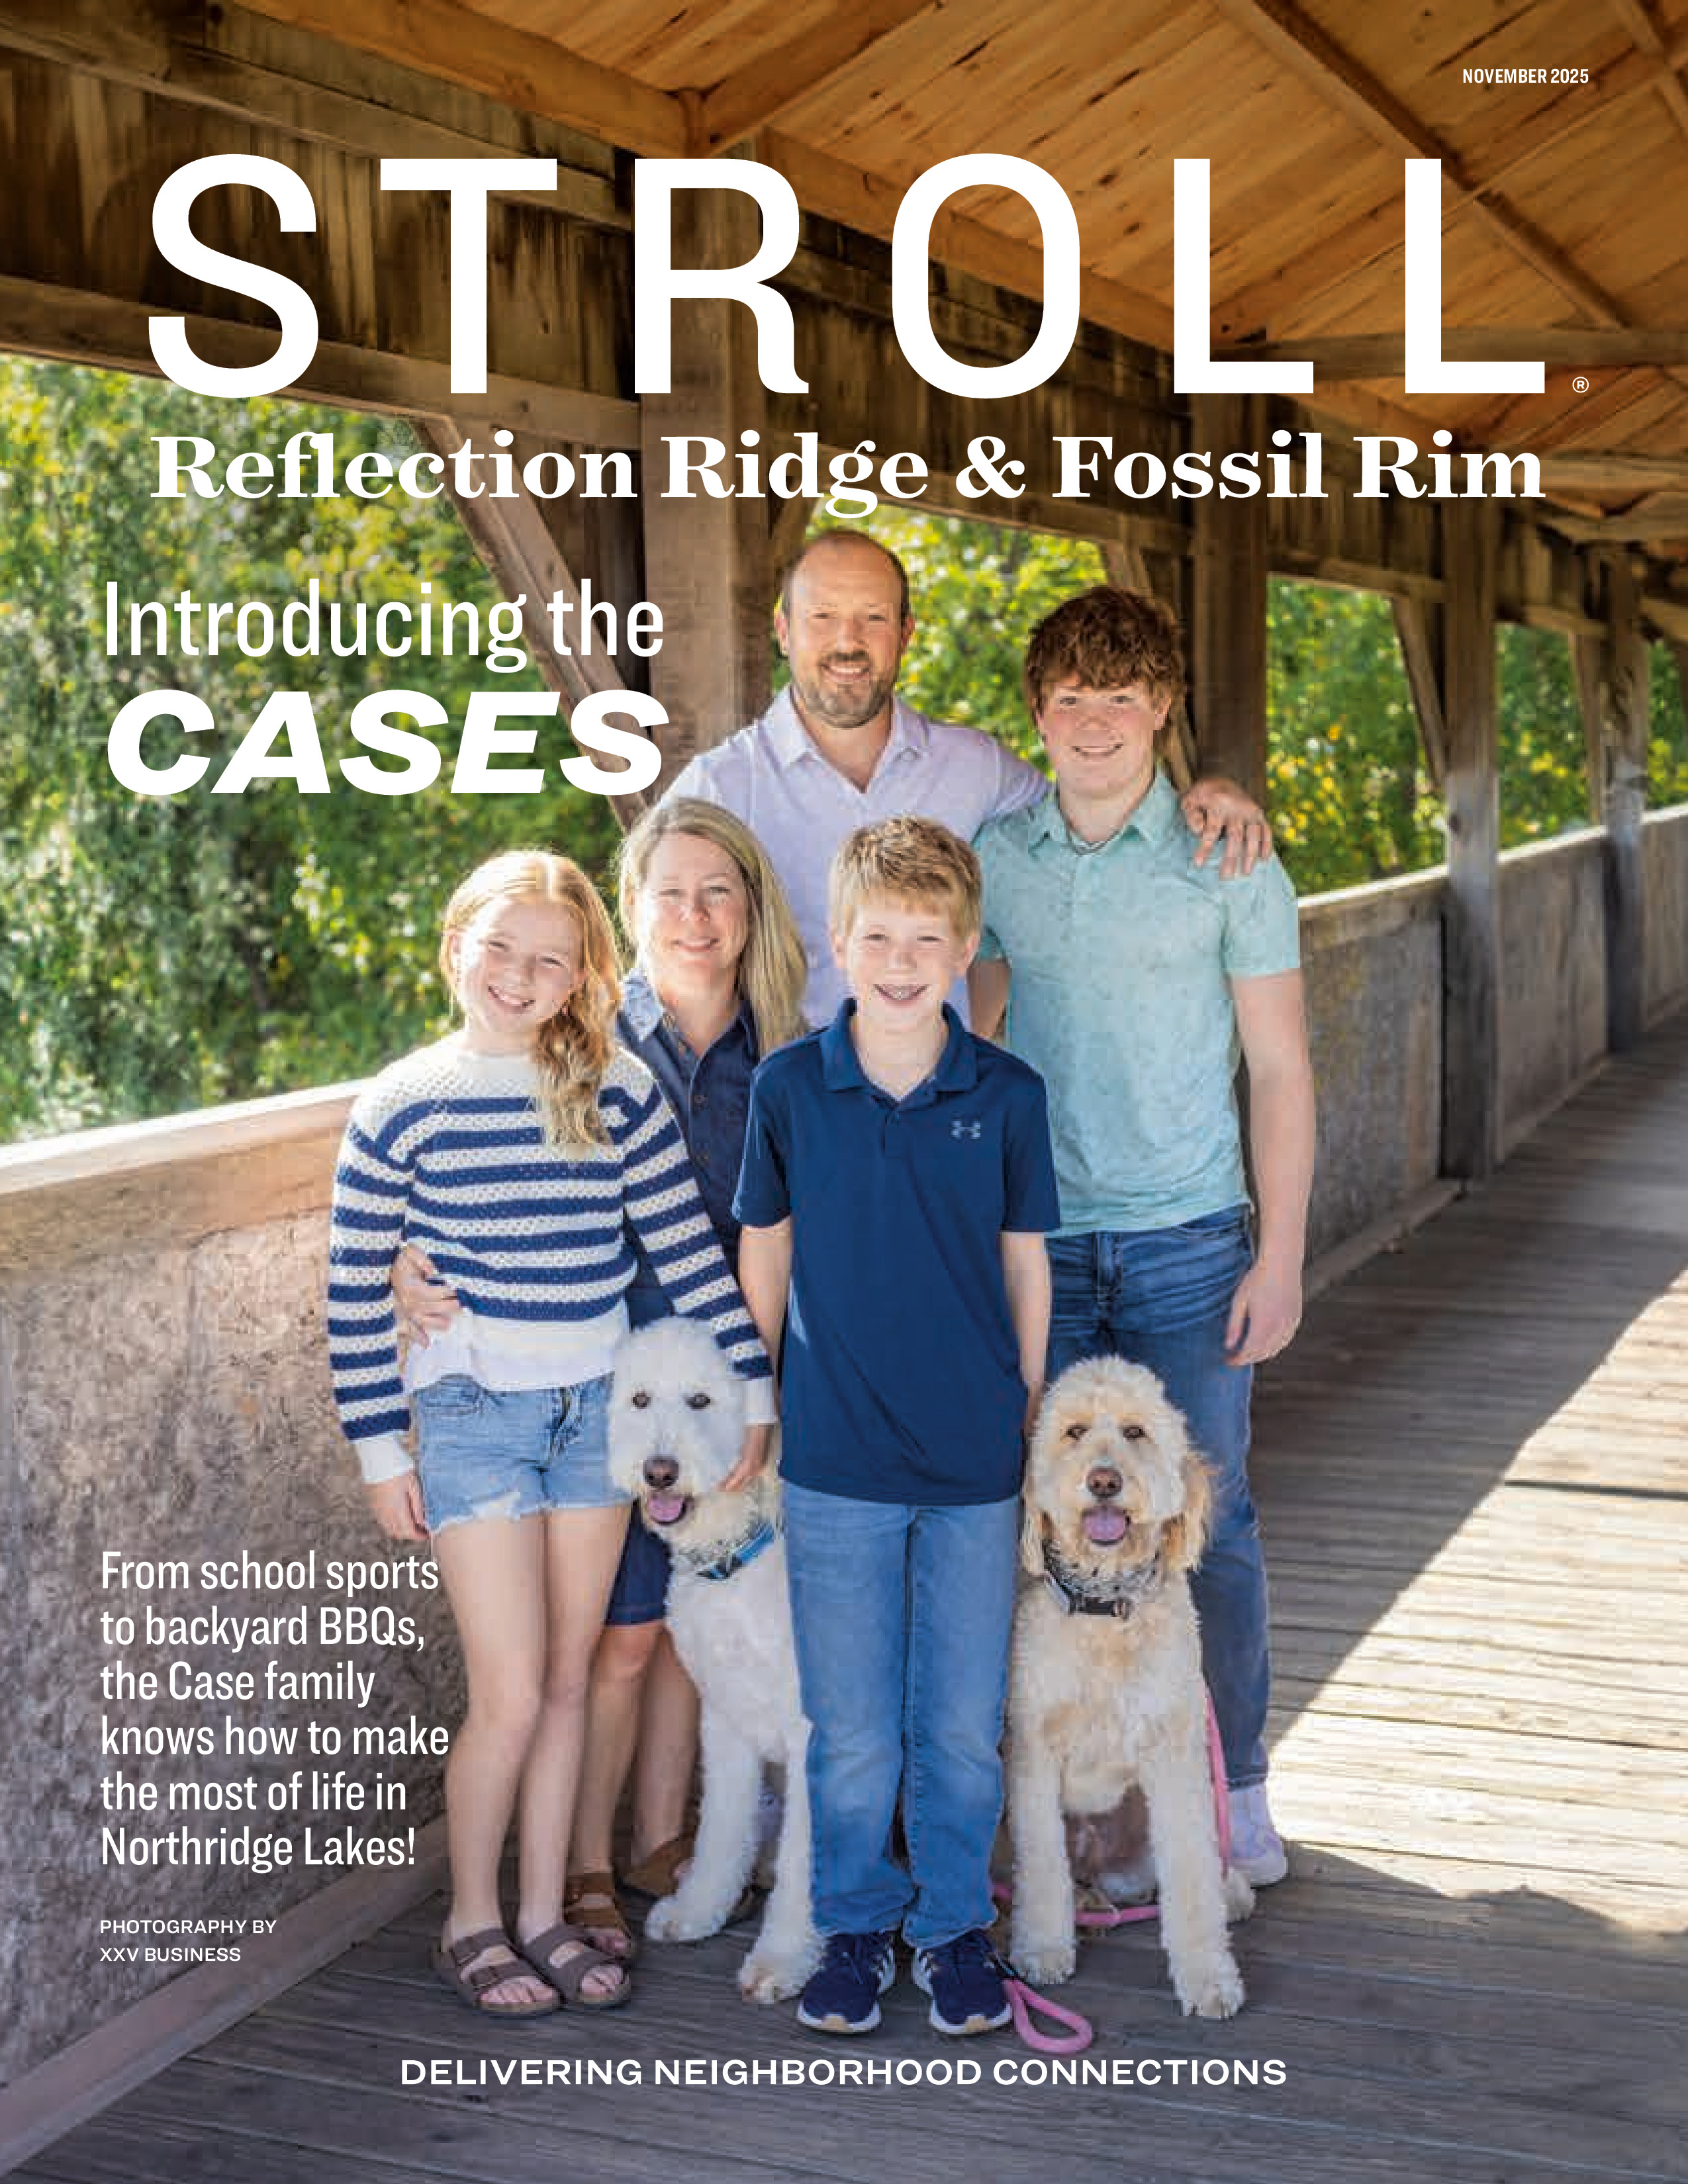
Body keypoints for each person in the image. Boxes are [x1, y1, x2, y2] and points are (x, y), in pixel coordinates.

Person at [326, 850, 774, 2016]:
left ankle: (542, 1914)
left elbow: (684, 1252)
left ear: (582, 976)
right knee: (513, 1691)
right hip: (473, 1421)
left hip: (590, 1419)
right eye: (501, 949)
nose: (520, 976)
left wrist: (755, 1395)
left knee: (573, 1677)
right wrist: (384, 1455)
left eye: (550, 960)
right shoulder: (400, 1104)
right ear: (455, 946)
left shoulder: (615, 1088)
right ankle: (470, 1920)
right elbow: (349, 1289)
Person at [970, 586, 1315, 1888]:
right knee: (1035, 1523)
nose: (1097, 726)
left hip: (1190, 1247)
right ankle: (1064, 1803)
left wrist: (1278, 1257)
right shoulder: (1000, 859)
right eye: (1071, 702)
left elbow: (1280, 1072)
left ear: (1163, 710)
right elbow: (980, 1052)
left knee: (1207, 1527)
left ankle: (1238, 1790)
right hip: (1041, 1248)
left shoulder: (1232, 861)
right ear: (1040, 716)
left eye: (1123, 701)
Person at [735, 817, 1060, 2036]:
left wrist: (1027, 1410)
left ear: (967, 947)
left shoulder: (1008, 1094)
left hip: (977, 1457)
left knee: (961, 1726)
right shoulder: (789, 1090)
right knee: (856, 1724)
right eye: (880, 935)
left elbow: (1027, 1262)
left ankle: (953, 1928)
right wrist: (758, 1399)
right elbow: (764, 1249)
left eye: (931, 938)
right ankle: (857, 1927)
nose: (905, 957)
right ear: (839, 942)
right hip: (834, 1459)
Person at [665, 529, 1271, 1024]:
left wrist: (1208, 791)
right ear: (783, 630)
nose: (846, 642)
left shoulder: (974, 767)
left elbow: (1095, 806)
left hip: (944, 1127)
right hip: (785, 1135)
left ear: (906, 633)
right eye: (822, 616)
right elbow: (651, 967)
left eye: (872, 618)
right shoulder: (716, 792)